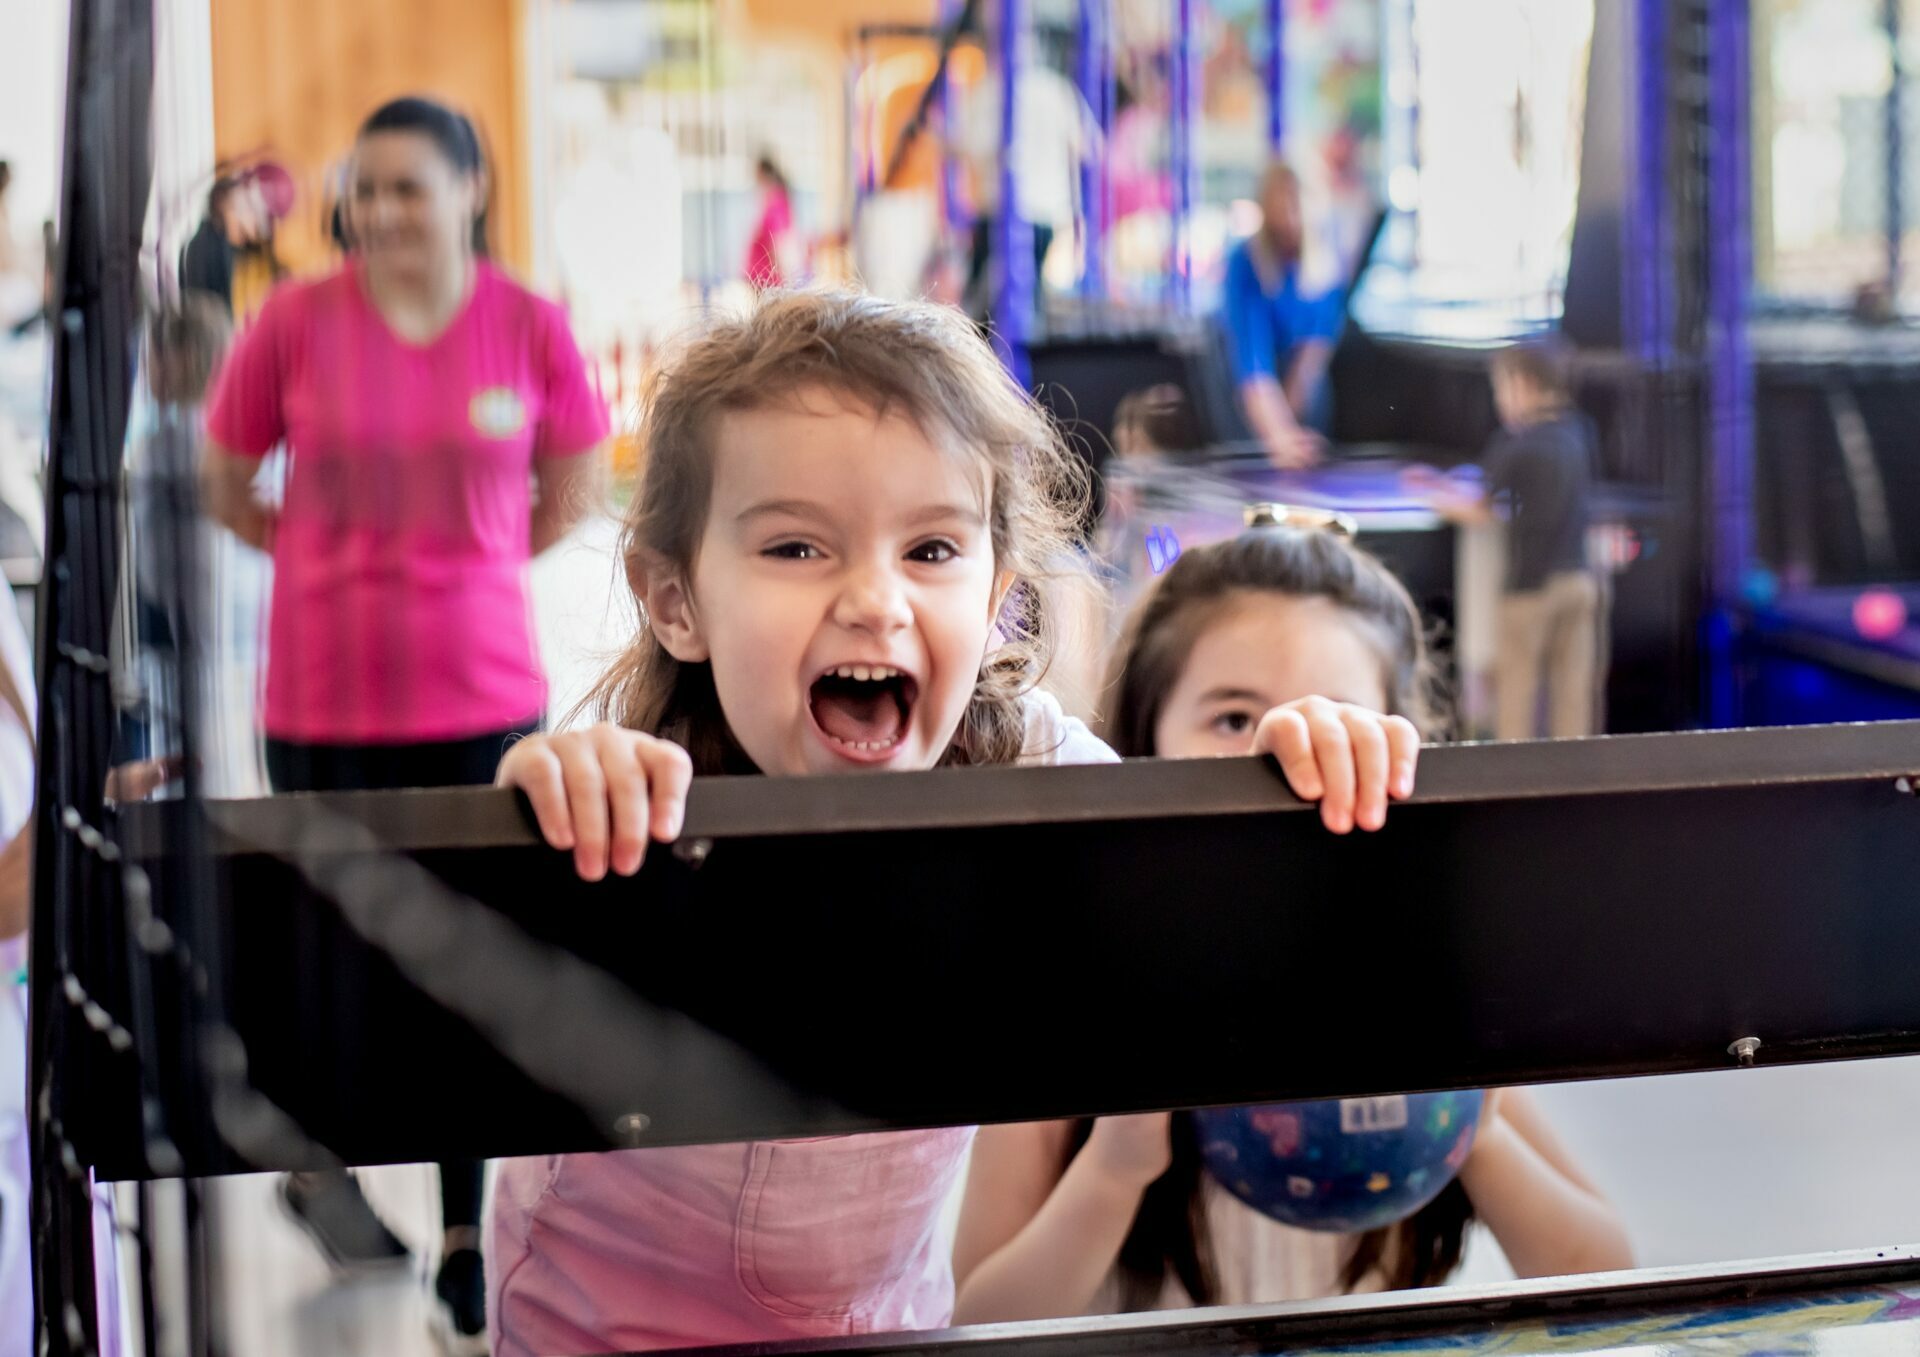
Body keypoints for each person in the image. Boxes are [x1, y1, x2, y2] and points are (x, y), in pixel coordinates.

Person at [483, 290, 1420, 1357]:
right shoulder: (650, 792)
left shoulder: (1023, 769)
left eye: (930, 550)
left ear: (994, 597)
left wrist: (1289, 779)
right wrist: (559, 786)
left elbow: (1197, 889)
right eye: (797, 548)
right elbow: (492, 895)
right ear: (675, 600)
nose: (876, 600)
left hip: (892, 1329)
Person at [953, 527, 1633, 1321]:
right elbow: (979, 1321)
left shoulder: (1414, 994)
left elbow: (1609, 1277)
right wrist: (1113, 1168)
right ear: (1143, 741)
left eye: (1342, 721)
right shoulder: (1073, 1003)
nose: (1289, 756)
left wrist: (1473, 1135)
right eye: (1233, 718)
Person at [200, 94, 608, 1351]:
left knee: (468, 973)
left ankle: (464, 1235)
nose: (377, 212)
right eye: (363, 190)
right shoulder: (292, 321)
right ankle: (318, 1163)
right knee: (330, 956)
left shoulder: (528, 325)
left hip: (482, 701)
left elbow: (573, 483)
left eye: (405, 188)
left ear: (468, 190)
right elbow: (224, 478)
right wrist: (322, 555)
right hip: (318, 701)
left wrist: (464, 561)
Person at [1404, 340, 1600, 741]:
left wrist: (1429, 495)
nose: (1500, 400)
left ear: (1523, 383)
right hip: (1580, 580)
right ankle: (1577, 768)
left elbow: (1480, 508)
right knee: (1573, 694)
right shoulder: (1579, 432)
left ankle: (1515, 772)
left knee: (1516, 694)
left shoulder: (1517, 444)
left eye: (1501, 388)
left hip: (1529, 587)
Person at [1221, 161, 1345, 470]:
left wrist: (1294, 438)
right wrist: (1278, 437)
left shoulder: (1326, 266)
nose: (1289, 217)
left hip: (1301, 395)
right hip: (1250, 395)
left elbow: (1311, 359)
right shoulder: (1244, 262)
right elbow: (1253, 365)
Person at [179, 176, 248, 315]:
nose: (242, 215)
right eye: (235, 207)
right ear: (221, 204)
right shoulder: (204, 247)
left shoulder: (222, 243)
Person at [745, 154, 795, 289]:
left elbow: (778, 243)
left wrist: (786, 278)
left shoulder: (776, 202)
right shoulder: (770, 201)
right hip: (761, 279)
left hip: (768, 281)